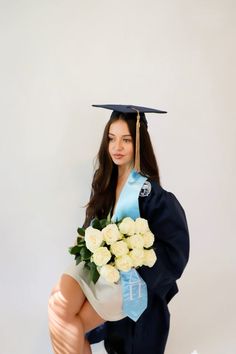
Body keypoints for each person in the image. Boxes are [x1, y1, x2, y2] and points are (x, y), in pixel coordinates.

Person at [48, 104, 190, 354]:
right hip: (96, 265)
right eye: (112, 139)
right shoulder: (104, 179)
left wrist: (133, 259)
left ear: (138, 143)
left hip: (127, 280)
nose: (117, 147)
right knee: (58, 308)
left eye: (126, 139)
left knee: (76, 324)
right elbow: (91, 223)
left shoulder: (151, 194)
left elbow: (175, 250)